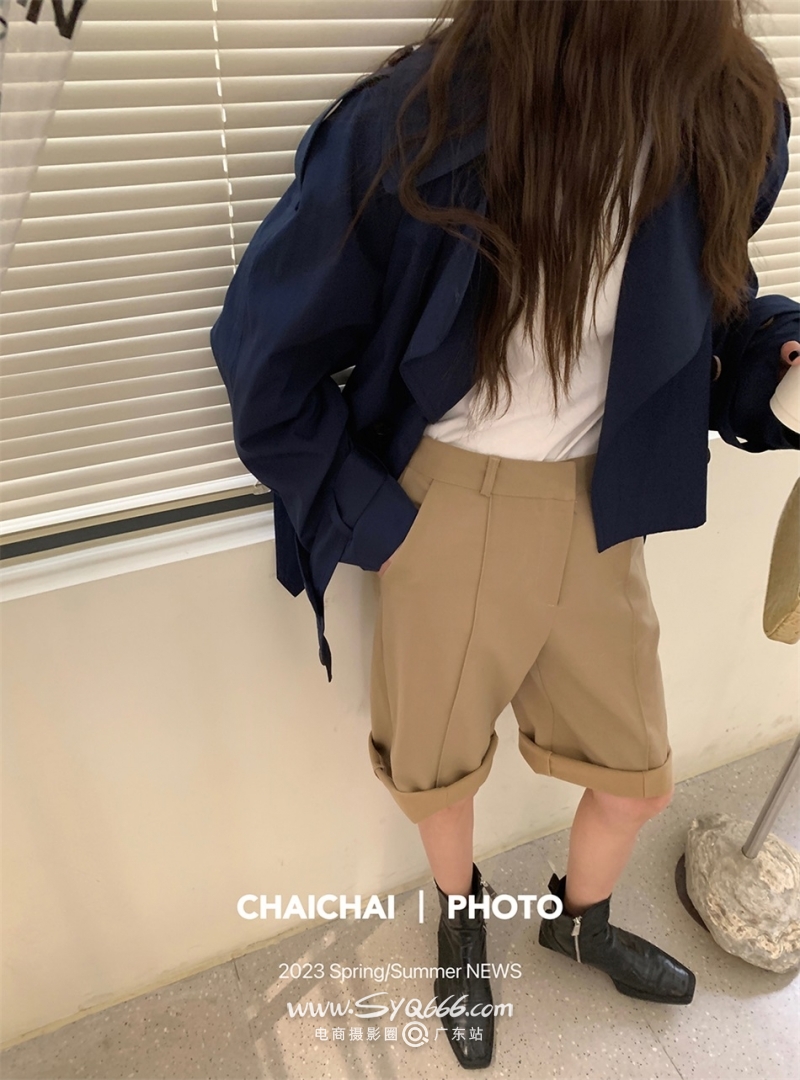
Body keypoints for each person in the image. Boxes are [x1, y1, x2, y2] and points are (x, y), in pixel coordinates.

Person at [210, 0, 800, 1070]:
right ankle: (459, 918)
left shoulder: (727, 112)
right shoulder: (419, 121)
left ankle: (579, 922)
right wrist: (379, 522)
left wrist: (780, 355)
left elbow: (707, 315)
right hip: (449, 501)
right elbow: (266, 356)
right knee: (436, 768)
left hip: (601, 508)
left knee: (637, 777)